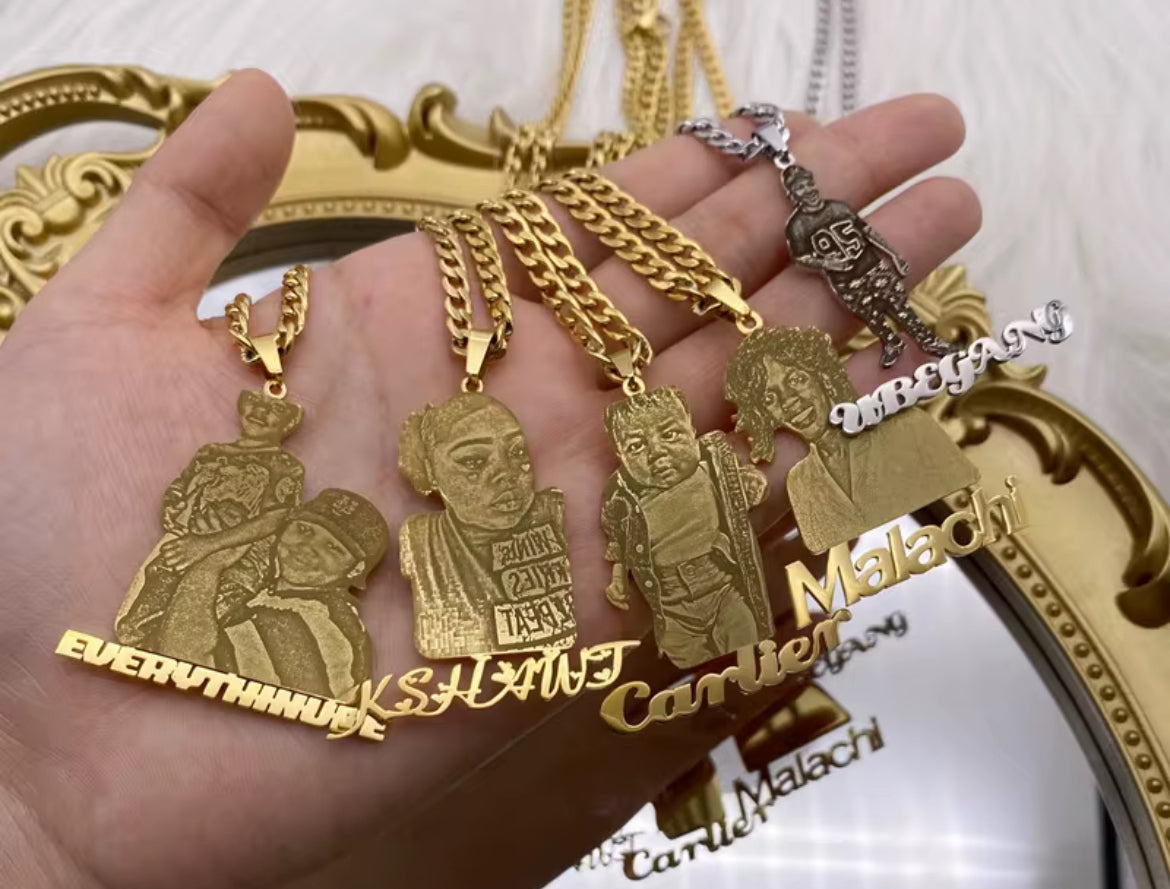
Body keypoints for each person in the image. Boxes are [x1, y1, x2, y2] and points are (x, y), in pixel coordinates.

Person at [0, 70, 980, 888]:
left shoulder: (559, 523)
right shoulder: (320, 567)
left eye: (508, 455)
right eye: (472, 460)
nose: (505, 474)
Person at [725, 326, 979, 553]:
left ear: (823, 377)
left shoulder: (912, 432)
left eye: (796, 379)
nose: (788, 401)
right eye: (769, 398)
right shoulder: (801, 482)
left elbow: (974, 506)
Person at [115, 390, 305, 662]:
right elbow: (179, 488)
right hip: (184, 545)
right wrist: (177, 511)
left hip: (239, 557)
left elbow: (275, 519)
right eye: (254, 402)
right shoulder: (210, 453)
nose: (260, 412)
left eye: (275, 409)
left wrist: (208, 544)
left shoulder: (284, 466)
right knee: (135, 624)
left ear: (290, 422)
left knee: (198, 622)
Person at [602, 387, 772, 668]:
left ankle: (750, 674)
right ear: (620, 456)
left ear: (692, 431)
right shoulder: (626, 503)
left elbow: (743, 489)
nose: (656, 453)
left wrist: (753, 485)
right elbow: (620, 544)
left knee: (746, 639)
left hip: (723, 588)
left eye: (670, 435)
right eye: (636, 447)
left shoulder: (711, 473)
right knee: (687, 658)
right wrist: (619, 580)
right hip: (672, 607)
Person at [398, 392, 576, 658]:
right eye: (473, 461)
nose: (507, 474)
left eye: (517, 451)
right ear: (430, 470)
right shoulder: (419, 540)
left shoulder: (551, 511)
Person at [213, 488, 389, 700]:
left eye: (333, 547)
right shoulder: (272, 596)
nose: (308, 548)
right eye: (304, 529)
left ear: (356, 569)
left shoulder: (311, 625)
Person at [783, 164, 951, 367]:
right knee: (870, 315)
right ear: (792, 194)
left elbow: (867, 232)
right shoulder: (797, 226)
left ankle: (928, 341)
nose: (807, 190)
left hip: (872, 267)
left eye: (808, 184)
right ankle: (891, 342)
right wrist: (827, 262)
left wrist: (893, 255)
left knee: (899, 306)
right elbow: (800, 257)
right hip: (845, 281)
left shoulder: (838, 208)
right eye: (800, 187)